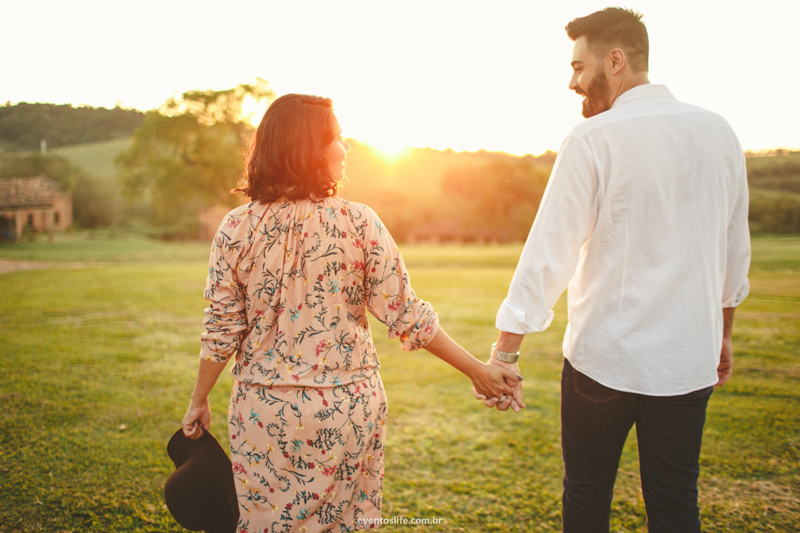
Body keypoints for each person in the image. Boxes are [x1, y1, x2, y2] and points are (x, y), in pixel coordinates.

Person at [181, 93, 522, 533]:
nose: (346, 149)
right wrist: (477, 370)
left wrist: (198, 400)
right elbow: (406, 315)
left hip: (265, 410)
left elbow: (222, 330)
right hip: (348, 409)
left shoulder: (235, 228)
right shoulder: (359, 223)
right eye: (337, 139)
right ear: (309, 150)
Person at [481, 7, 751, 533]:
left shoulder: (591, 139)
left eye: (580, 67)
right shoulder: (720, 132)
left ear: (616, 60)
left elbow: (547, 254)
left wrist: (504, 352)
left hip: (601, 363)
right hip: (686, 360)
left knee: (587, 494)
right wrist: (723, 336)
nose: (572, 81)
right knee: (676, 504)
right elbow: (733, 249)